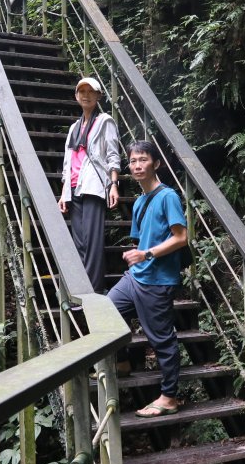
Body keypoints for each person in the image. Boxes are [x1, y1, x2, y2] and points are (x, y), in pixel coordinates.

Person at [107, 139, 188, 418]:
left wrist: (147, 254)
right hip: (136, 277)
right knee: (106, 311)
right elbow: (141, 240)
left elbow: (181, 238)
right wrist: (137, 255)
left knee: (161, 339)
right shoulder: (140, 201)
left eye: (143, 159)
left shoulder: (168, 197)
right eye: (132, 161)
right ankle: (123, 362)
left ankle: (169, 397)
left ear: (156, 163)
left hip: (158, 280)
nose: (137, 165)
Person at [59, 77, 120, 293]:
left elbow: (113, 155)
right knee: (80, 242)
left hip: (94, 186)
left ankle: (94, 290)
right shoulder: (74, 127)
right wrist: (63, 193)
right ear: (76, 96)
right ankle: (82, 286)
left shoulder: (105, 121)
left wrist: (113, 184)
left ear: (98, 96)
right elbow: (68, 162)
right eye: (81, 91)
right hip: (74, 188)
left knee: (92, 242)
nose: (85, 95)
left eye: (90, 91)